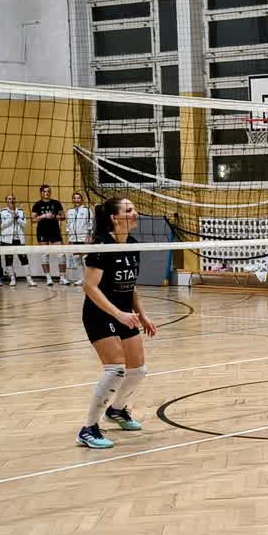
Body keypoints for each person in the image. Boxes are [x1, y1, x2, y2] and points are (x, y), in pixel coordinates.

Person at [77, 196, 157, 449]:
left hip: (125, 313)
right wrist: (118, 314)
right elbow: (89, 287)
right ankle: (88, 429)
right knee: (115, 370)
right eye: (129, 210)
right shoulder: (100, 245)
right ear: (114, 217)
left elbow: (131, 287)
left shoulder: (132, 244)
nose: (135, 213)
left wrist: (141, 314)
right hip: (99, 313)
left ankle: (117, 410)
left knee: (138, 370)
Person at [32, 184, 67, 285]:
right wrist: (43, 216)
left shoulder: (56, 203)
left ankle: (62, 278)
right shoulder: (37, 205)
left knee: (61, 254)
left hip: (54, 230)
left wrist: (54, 216)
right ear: (41, 192)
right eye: (44, 191)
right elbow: (33, 219)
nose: (46, 193)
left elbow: (63, 216)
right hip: (42, 231)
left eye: (48, 191)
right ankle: (48, 278)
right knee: (44, 255)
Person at [0, 194, 35, 286]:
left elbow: (24, 224)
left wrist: (17, 218)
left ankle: (29, 279)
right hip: (7, 239)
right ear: (6, 200)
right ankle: (12, 279)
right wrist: (11, 218)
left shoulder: (20, 211)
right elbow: (1, 226)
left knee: (24, 259)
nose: (11, 200)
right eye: (9, 199)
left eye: (13, 199)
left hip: (19, 239)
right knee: (8, 259)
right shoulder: (2, 212)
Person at [67, 191, 93, 286]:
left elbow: (90, 224)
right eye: (74, 198)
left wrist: (88, 236)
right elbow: (68, 225)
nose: (76, 200)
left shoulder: (87, 210)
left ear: (81, 199)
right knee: (77, 259)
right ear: (72, 200)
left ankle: (88, 279)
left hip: (83, 238)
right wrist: (70, 238)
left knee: (85, 259)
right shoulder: (70, 211)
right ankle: (81, 279)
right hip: (74, 239)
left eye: (78, 198)